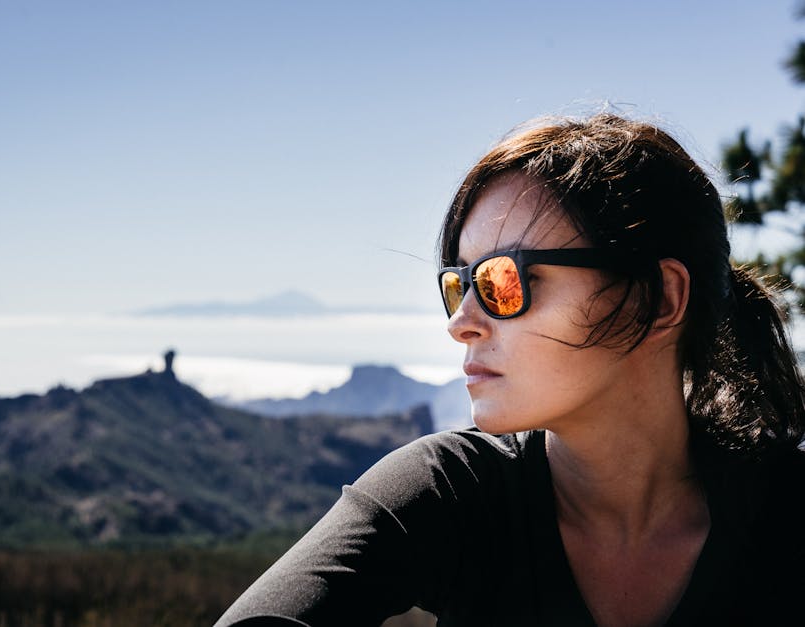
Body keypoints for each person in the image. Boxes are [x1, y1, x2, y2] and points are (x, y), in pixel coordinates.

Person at [215, 113, 805, 626]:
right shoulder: (448, 491)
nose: (461, 323)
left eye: (504, 279)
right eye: (458, 285)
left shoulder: (785, 515)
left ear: (659, 298)